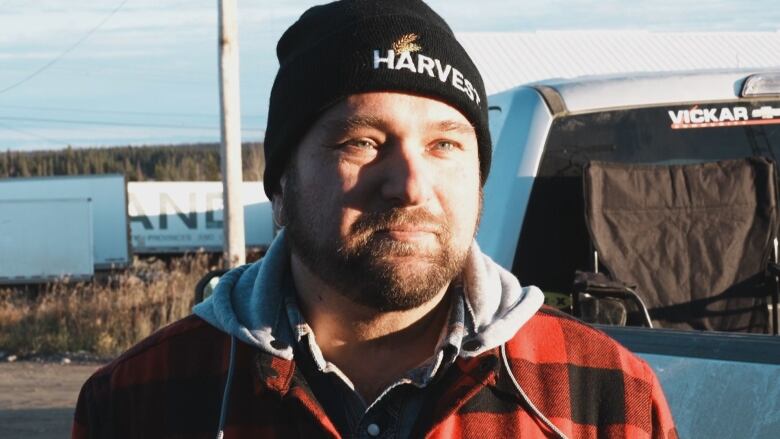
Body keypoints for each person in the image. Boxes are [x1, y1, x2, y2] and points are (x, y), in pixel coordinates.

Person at [72, 1, 677, 438]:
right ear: (280, 184)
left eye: (445, 145)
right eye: (361, 142)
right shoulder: (139, 404)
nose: (410, 185)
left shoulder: (602, 393)